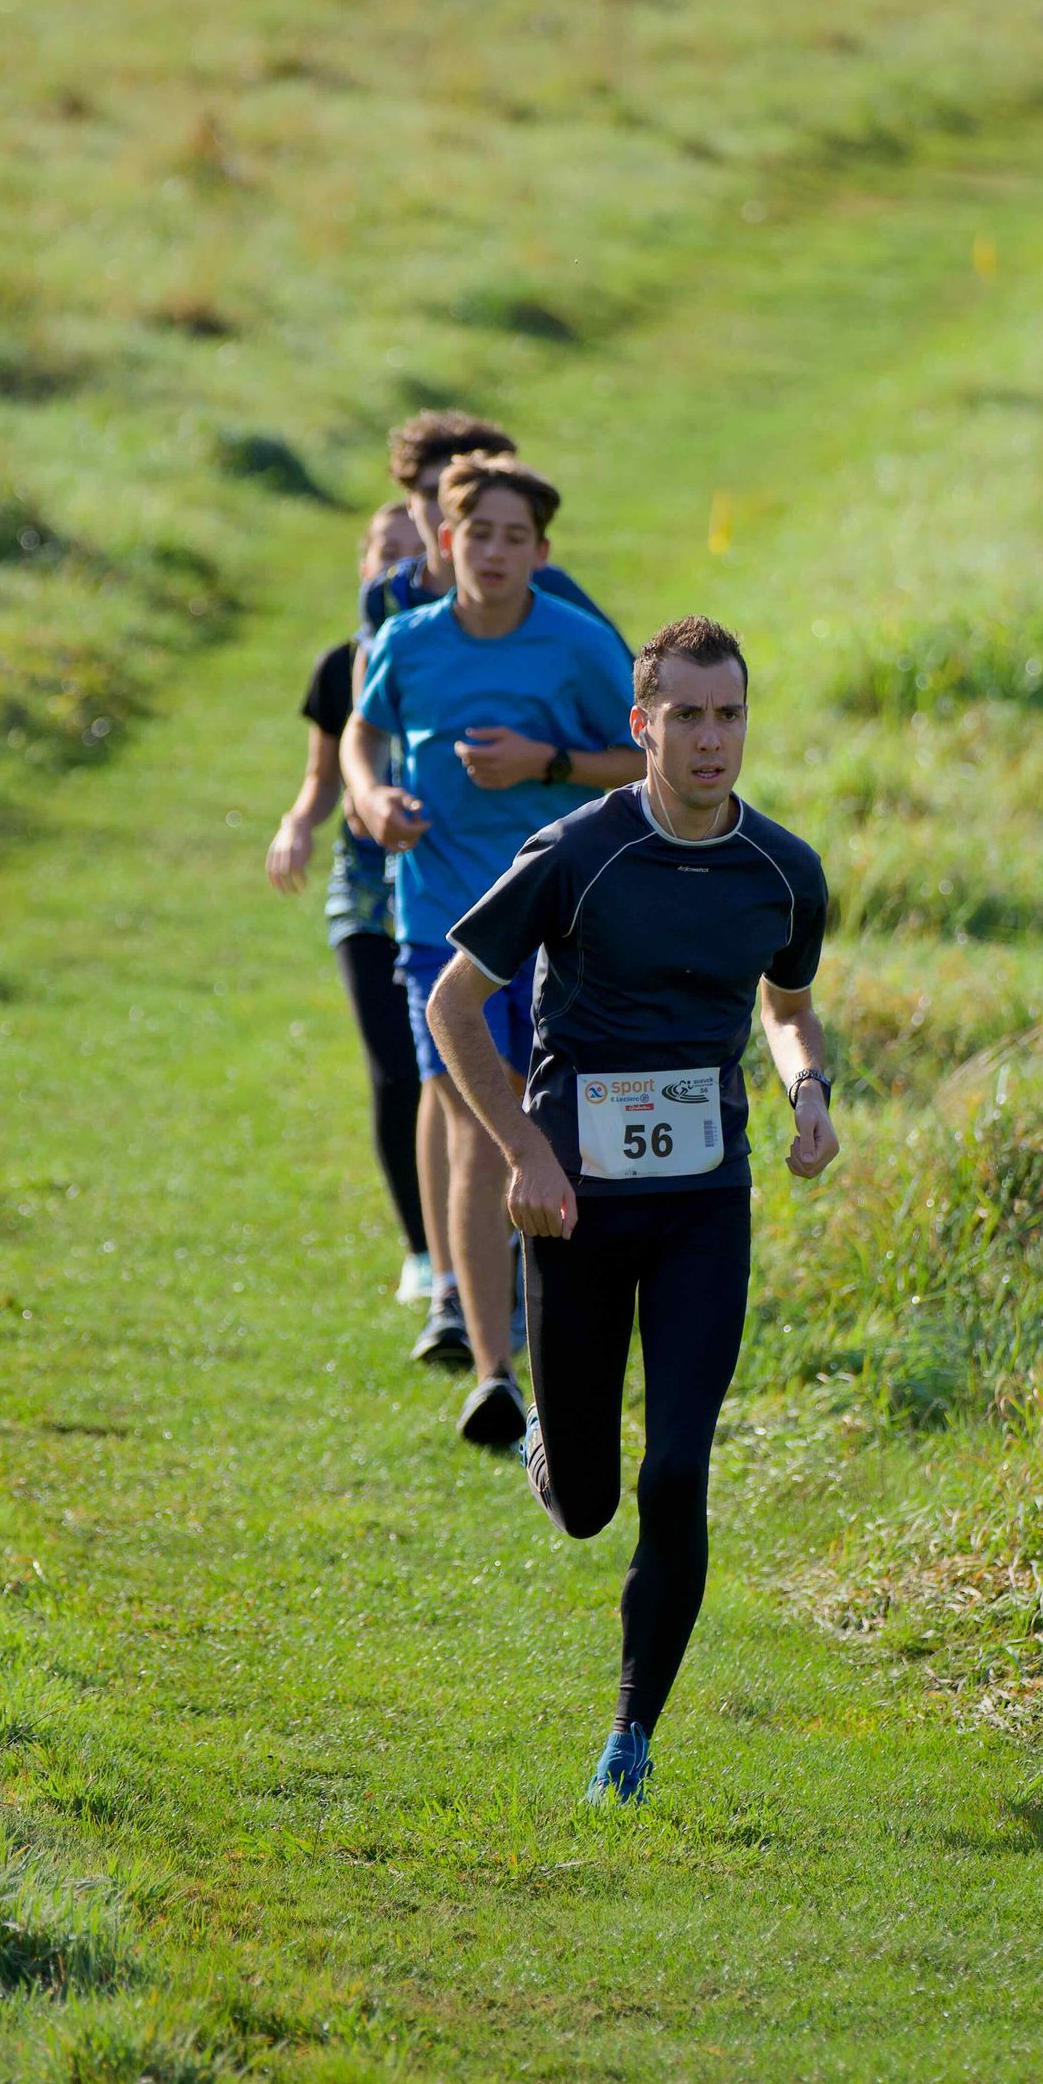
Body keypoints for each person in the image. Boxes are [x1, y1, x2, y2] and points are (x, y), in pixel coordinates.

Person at [422, 618, 835, 1805]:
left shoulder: (783, 869)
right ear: (642, 726)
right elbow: (453, 1006)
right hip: (577, 1209)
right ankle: (551, 1440)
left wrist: (808, 1088)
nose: (712, 739)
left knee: (678, 1470)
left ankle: (631, 1737)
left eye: (730, 715)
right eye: (688, 716)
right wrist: (525, 1152)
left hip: (706, 1202)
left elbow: (787, 1006)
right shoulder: (575, 854)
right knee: (590, 1504)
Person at [345, 458, 640, 1447]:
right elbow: (361, 733)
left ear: (543, 553)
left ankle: (571, 1353)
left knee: (560, 1136)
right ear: (446, 542)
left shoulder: (579, 644)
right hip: (438, 925)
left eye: (517, 538)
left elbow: (645, 759)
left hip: (560, 927)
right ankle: (492, 1374)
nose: (497, 553)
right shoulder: (407, 642)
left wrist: (545, 763)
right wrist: (371, 798)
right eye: (479, 534)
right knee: (483, 1129)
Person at [267, 500, 433, 1309]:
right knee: (396, 1072)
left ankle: (483, 1241)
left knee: (458, 1074)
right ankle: (424, 1251)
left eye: (413, 551)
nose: (397, 566)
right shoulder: (339, 668)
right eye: (384, 552)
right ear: (363, 567)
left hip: (445, 886)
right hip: (366, 897)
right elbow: (323, 777)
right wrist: (298, 824)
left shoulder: (449, 655)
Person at [361, 406, 617, 637]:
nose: (447, 511)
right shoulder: (387, 596)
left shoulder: (547, 586)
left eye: (465, 500)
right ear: (409, 504)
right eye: (432, 495)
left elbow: (622, 667)